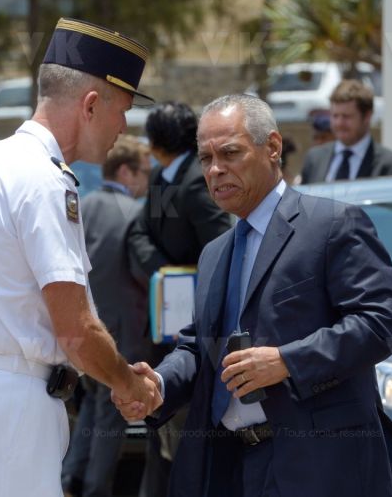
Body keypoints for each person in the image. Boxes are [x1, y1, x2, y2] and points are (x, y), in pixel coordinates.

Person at [115, 94, 392, 497]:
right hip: (231, 466)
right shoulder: (216, 252)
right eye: (205, 158)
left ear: (273, 147)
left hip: (317, 467)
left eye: (230, 153)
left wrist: (287, 361)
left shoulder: (331, 225)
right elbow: (201, 346)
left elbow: (379, 323)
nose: (216, 170)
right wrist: (157, 383)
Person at [0, 18, 162, 497]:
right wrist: (128, 385)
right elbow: (75, 330)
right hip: (11, 406)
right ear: (91, 104)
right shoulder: (43, 180)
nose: (123, 126)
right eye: (122, 110)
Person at [126, 101, 230, 497]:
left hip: (192, 331)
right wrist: (164, 272)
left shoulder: (196, 183)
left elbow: (219, 245)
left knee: (186, 436)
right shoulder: (163, 177)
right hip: (163, 322)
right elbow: (138, 234)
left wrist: (185, 280)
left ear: (155, 142)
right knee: (159, 429)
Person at [61, 136, 152, 497]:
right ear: (127, 172)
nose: (146, 181)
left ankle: (69, 482)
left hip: (80, 327)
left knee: (91, 413)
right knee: (109, 421)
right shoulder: (135, 213)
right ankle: (95, 489)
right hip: (121, 333)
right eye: (143, 173)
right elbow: (143, 273)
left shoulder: (81, 206)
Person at [300, 79, 392, 184]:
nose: (339, 123)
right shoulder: (314, 159)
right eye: (335, 116)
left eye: (346, 117)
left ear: (367, 116)